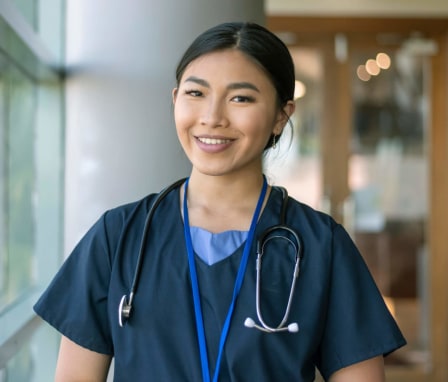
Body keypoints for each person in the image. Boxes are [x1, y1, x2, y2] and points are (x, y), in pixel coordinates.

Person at [34, 21, 406, 381]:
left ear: (281, 115)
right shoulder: (119, 236)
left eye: (241, 98)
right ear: (175, 100)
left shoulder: (321, 244)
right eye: (196, 94)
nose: (212, 118)